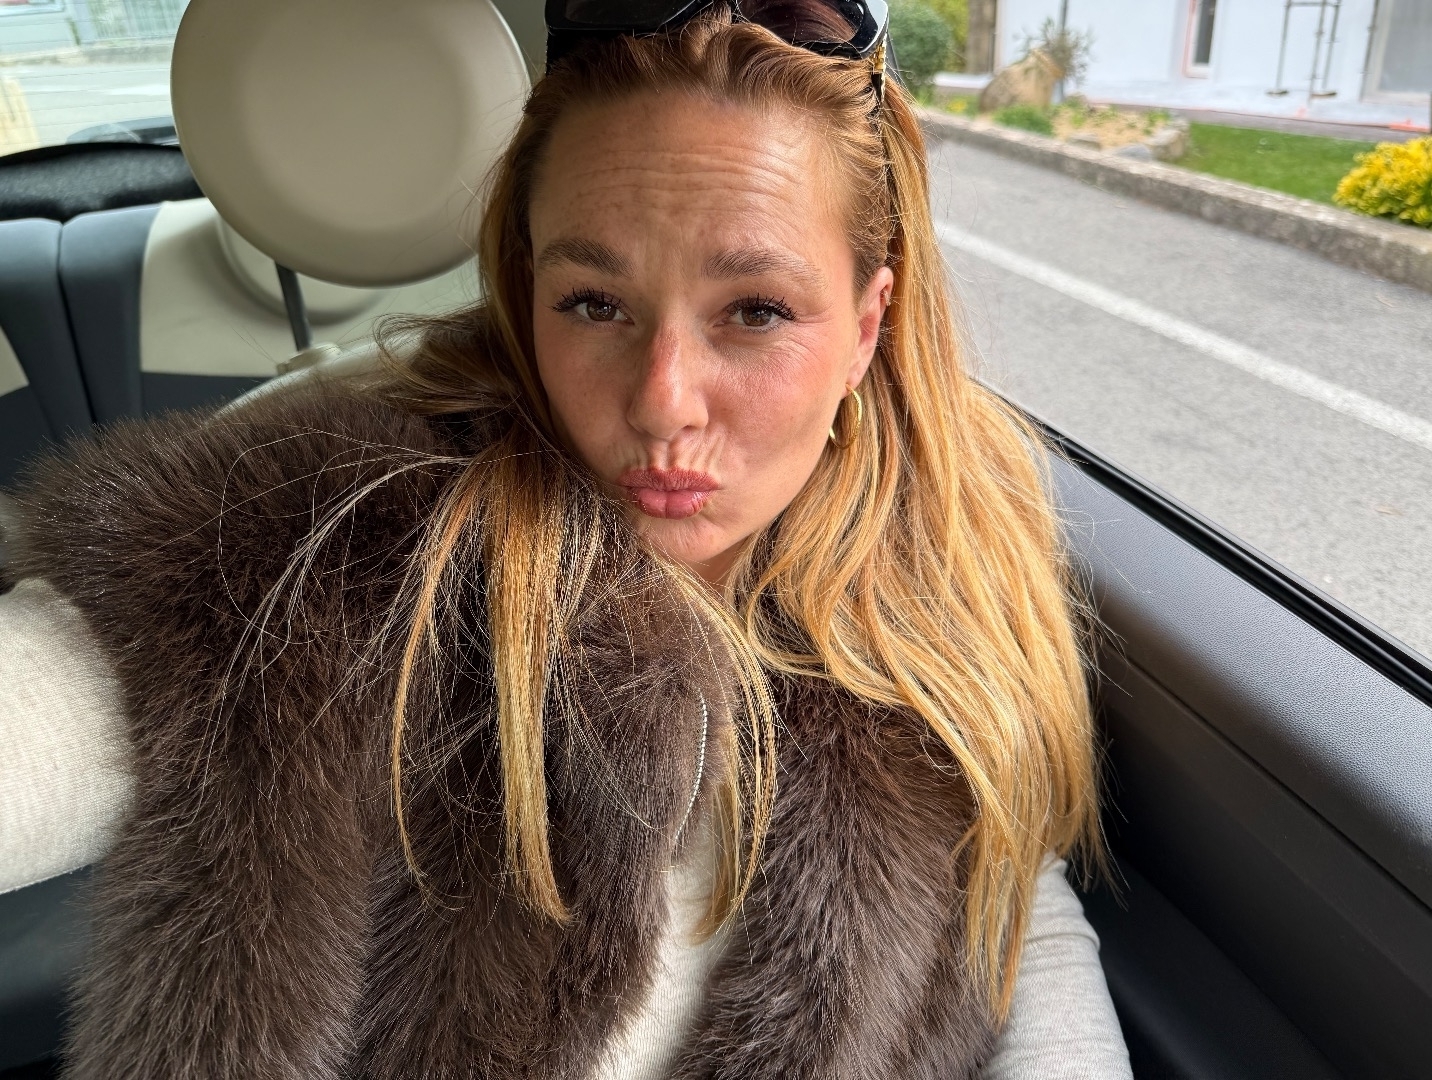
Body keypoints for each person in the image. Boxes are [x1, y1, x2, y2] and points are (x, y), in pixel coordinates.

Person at [0, 1, 1132, 1076]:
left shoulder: (948, 564)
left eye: (756, 310)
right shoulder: (331, 544)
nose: (662, 401)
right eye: (594, 302)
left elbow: (1012, 906)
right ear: (525, 287)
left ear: (866, 325)